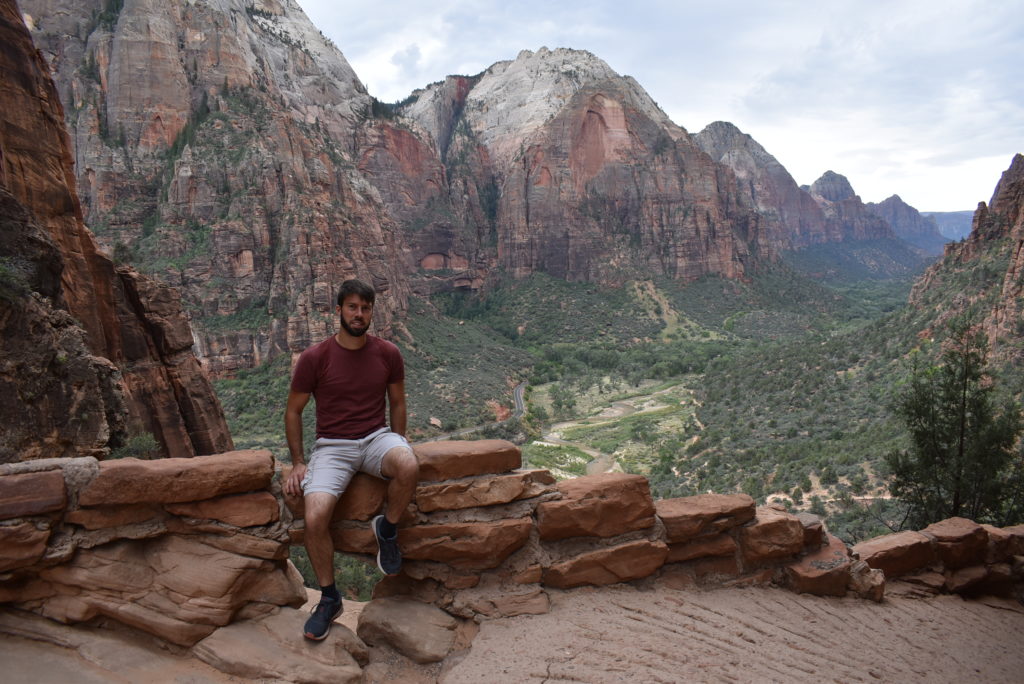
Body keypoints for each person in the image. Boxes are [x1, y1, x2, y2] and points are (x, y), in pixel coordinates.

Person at [283, 278, 419, 641]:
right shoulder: (315, 358)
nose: (359, 314)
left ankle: (386, 529)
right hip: (332, 447)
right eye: (352, 307)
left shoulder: (387, 353)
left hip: (376, 438)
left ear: (372, 311)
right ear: (339, 310)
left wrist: (399, 441)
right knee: (314, 517)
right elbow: (293, 411)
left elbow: (398, 401)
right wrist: (298, 462)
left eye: (365, 308)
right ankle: (329, 599)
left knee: (408, 465)